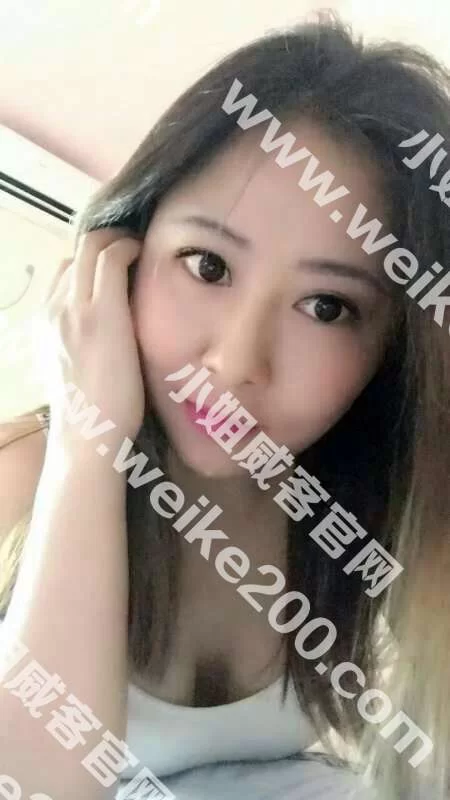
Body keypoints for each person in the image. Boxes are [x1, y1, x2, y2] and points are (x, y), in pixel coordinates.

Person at [0, 11, 449, 800]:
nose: (236, 363)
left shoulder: (376, 509)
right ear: (117, 254)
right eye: (206, 265)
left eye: (327, 307)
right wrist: (87, 440)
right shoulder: (20, 480)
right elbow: (39, 785)